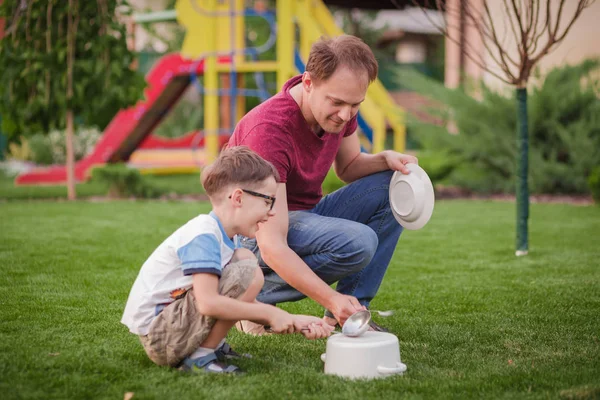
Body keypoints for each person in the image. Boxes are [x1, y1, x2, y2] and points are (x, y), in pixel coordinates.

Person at [228, 35, 418, 334]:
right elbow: (272, 244)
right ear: (308, 83)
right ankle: (248, 297)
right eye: (338, 103)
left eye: (355, 104)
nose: (345, 115)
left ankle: (351, 315)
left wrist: (386, 160)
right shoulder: (268, 131)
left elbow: (349, 166)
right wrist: (332, 297)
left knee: (392, 187)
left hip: (304, 214)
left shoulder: (336, 112)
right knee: (359, 242)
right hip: (254, 238)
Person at [121, 146, 333, 374]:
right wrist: (271, 314)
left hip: (174, 327)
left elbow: (236, 303)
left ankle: (210, 346)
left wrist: (292, 319)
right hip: (162, 337)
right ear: (238, 198)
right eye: (268, 201)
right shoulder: (204, 235)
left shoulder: (224, 238)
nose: (272, 211)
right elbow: (208, 303)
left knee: (244, 262)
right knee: (247, 268)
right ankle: (200, 357)